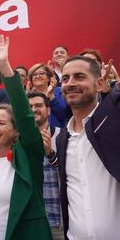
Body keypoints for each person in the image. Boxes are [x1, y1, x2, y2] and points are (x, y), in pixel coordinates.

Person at [0, 35, 52, 240]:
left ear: (16, 131)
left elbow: (25, 117)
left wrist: (4, 66)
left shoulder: (28, 154)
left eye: (1, 123)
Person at [55, 55, 120, 239]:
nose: (70, 83)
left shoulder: (113, 120)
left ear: (99, 84)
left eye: (79, 76)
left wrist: (112, 92)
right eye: (65, 78)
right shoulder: (62, 139)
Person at [27, 92, 63, 239]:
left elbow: (72, 172)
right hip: (30, 223)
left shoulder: (63, 136)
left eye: (38, 105)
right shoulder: (17, 141)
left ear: (48, 110)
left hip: (59, 223)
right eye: (29, 106)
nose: (34, 109)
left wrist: (51, 154)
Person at [27, 63, 70, 127]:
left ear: (49, 78)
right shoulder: (28, 96)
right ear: (31, 80)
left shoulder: (59, 91)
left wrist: (51, 95)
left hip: (58, 133)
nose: (38, 76)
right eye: (34, 74)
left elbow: (63, 115)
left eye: (41, 73)